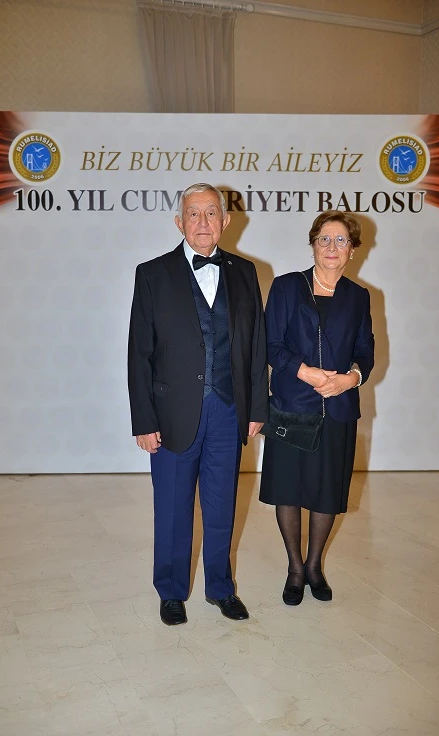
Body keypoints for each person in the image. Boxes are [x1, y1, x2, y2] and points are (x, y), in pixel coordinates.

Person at [128, 183, 268, 625]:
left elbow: (257, 345)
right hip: (172, 414)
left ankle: (220, 588)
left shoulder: (246, 272)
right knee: (172, 507)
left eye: (211, 213)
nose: (203, 222)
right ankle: (171, 591)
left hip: (228, 410)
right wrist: (143, 420)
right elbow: (139, 353)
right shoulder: (152, 274)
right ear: (179, 222)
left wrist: (256, 408)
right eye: (193, 213)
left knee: (222, 504)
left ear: (225, 221)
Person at [260, 210, 374, 605]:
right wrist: (305, 372)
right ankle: (294, 568)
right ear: (312, 245)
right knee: (288, 490)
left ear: (353, 250)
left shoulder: (358, 297)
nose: (331, 247)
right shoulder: (287, 287)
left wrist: (350, 379)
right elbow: (271, 344)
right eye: (324, 239)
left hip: (338, 409)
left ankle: (314, 565)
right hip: (292, 405)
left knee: (327, 491)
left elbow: (366, 352)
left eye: (341, 240)